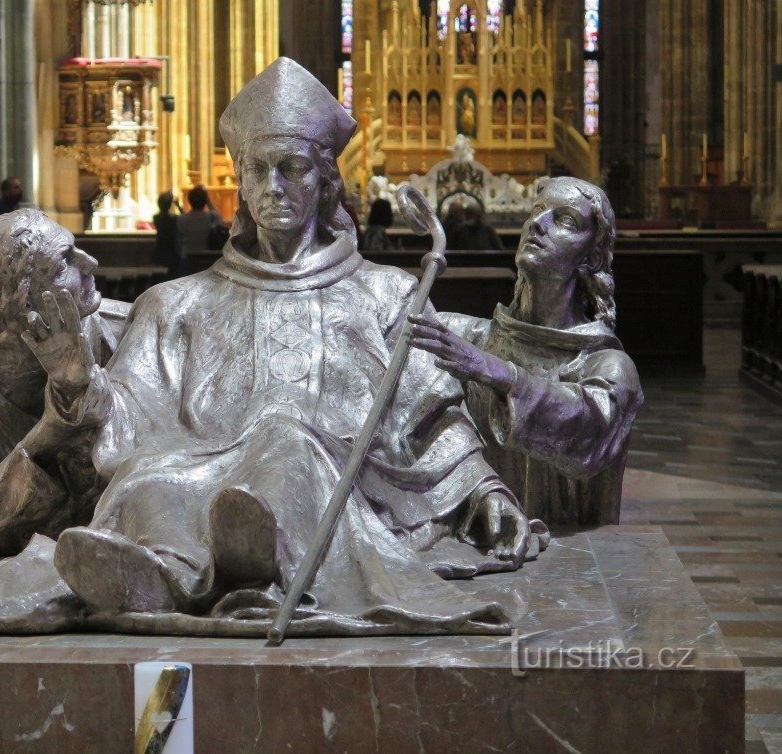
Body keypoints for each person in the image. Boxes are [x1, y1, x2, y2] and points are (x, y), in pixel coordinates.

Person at [41, 58, 544, 634]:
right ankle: (165, 570)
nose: (274, 186)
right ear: (241, 180)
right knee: (148, 482)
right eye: (259, 169)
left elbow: (430, 411)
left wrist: (485, 489)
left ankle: (234, 557)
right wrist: (75, 378)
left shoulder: (386, 294)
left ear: (325, 179)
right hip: (197, 477)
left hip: (338, 483)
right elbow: (128, 423)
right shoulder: (174, 303)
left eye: (293, 168)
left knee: (285, 443)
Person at [410, 177, 644, 525]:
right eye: (536, 211)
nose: (538, 223)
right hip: (469, 543)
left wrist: (496, 372)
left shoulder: (606, 365)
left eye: (564, 220)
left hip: (566, 562)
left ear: (591, 257)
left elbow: (584, 431)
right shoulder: (466, 336)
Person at [0, 209, 129, 554]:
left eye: (76, 249)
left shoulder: (125, 329)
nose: (90, 262)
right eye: (64, 264)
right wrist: (55, 423)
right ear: (23, 299)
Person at [176, 185, 224, 253]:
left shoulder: (181, 219)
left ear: (189, 200)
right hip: (207, 256)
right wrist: (208, 201)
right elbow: (219, 218)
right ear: (205, 201)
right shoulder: (211, 217)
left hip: (188, 256)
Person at [153, 190, 184, 278]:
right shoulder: (174, 218)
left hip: (161, 245)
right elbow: (185, 217)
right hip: (173, 246)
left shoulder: (156, 217)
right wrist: (178, 205)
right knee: (173, 273)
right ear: (170, 205)